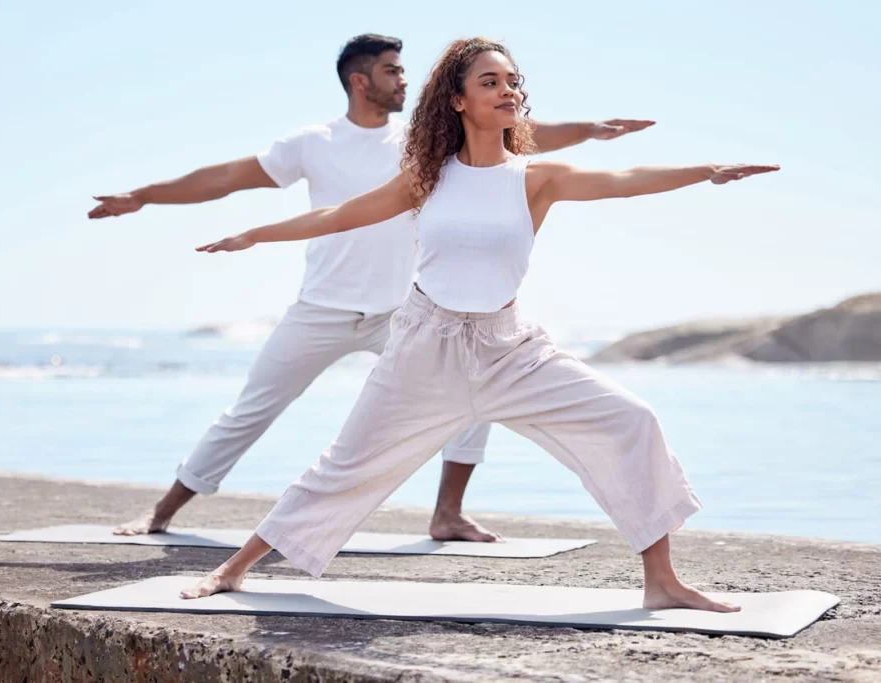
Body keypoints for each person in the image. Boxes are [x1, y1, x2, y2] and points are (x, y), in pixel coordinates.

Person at [178, 36, 779, 611]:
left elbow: (624, 182)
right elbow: (342, 216)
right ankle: (233, 569)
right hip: (424, 347)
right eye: (490, 81)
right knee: (347, 464)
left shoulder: (537, 178)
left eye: (513, 81)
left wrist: (706, 170)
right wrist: (255, 234)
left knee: (631, 421)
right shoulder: (428, 177)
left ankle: (662, 582)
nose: (507, 90)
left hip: (509, 348)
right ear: (459, 100)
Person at [88, 33, 655, 543]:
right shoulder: (311, 143)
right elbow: (226, 178)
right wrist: (143, 195)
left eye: (405, 70)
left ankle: (447, 514)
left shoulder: (424, 141)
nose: (404, 79)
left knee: (475, 396)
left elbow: (518, 133)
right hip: (323, 307)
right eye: (391, 70)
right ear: (360, 80)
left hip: (404, 314)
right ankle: (163, 511)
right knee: (251, 410)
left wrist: (589, 131)